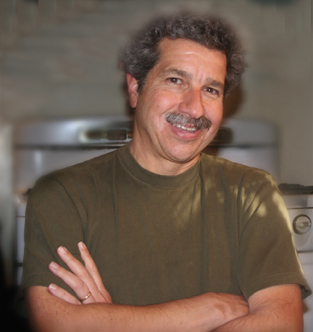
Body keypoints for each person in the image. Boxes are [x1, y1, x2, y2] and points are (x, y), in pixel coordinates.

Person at [21, 12, 310, 332]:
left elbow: (282, 324)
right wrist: (211, 309)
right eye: (176, 80)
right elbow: (57, 324)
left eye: (211, 90)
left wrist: (115, 322)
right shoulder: (63, 195)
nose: (195, 108)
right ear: (134, 87)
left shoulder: (253, 192)